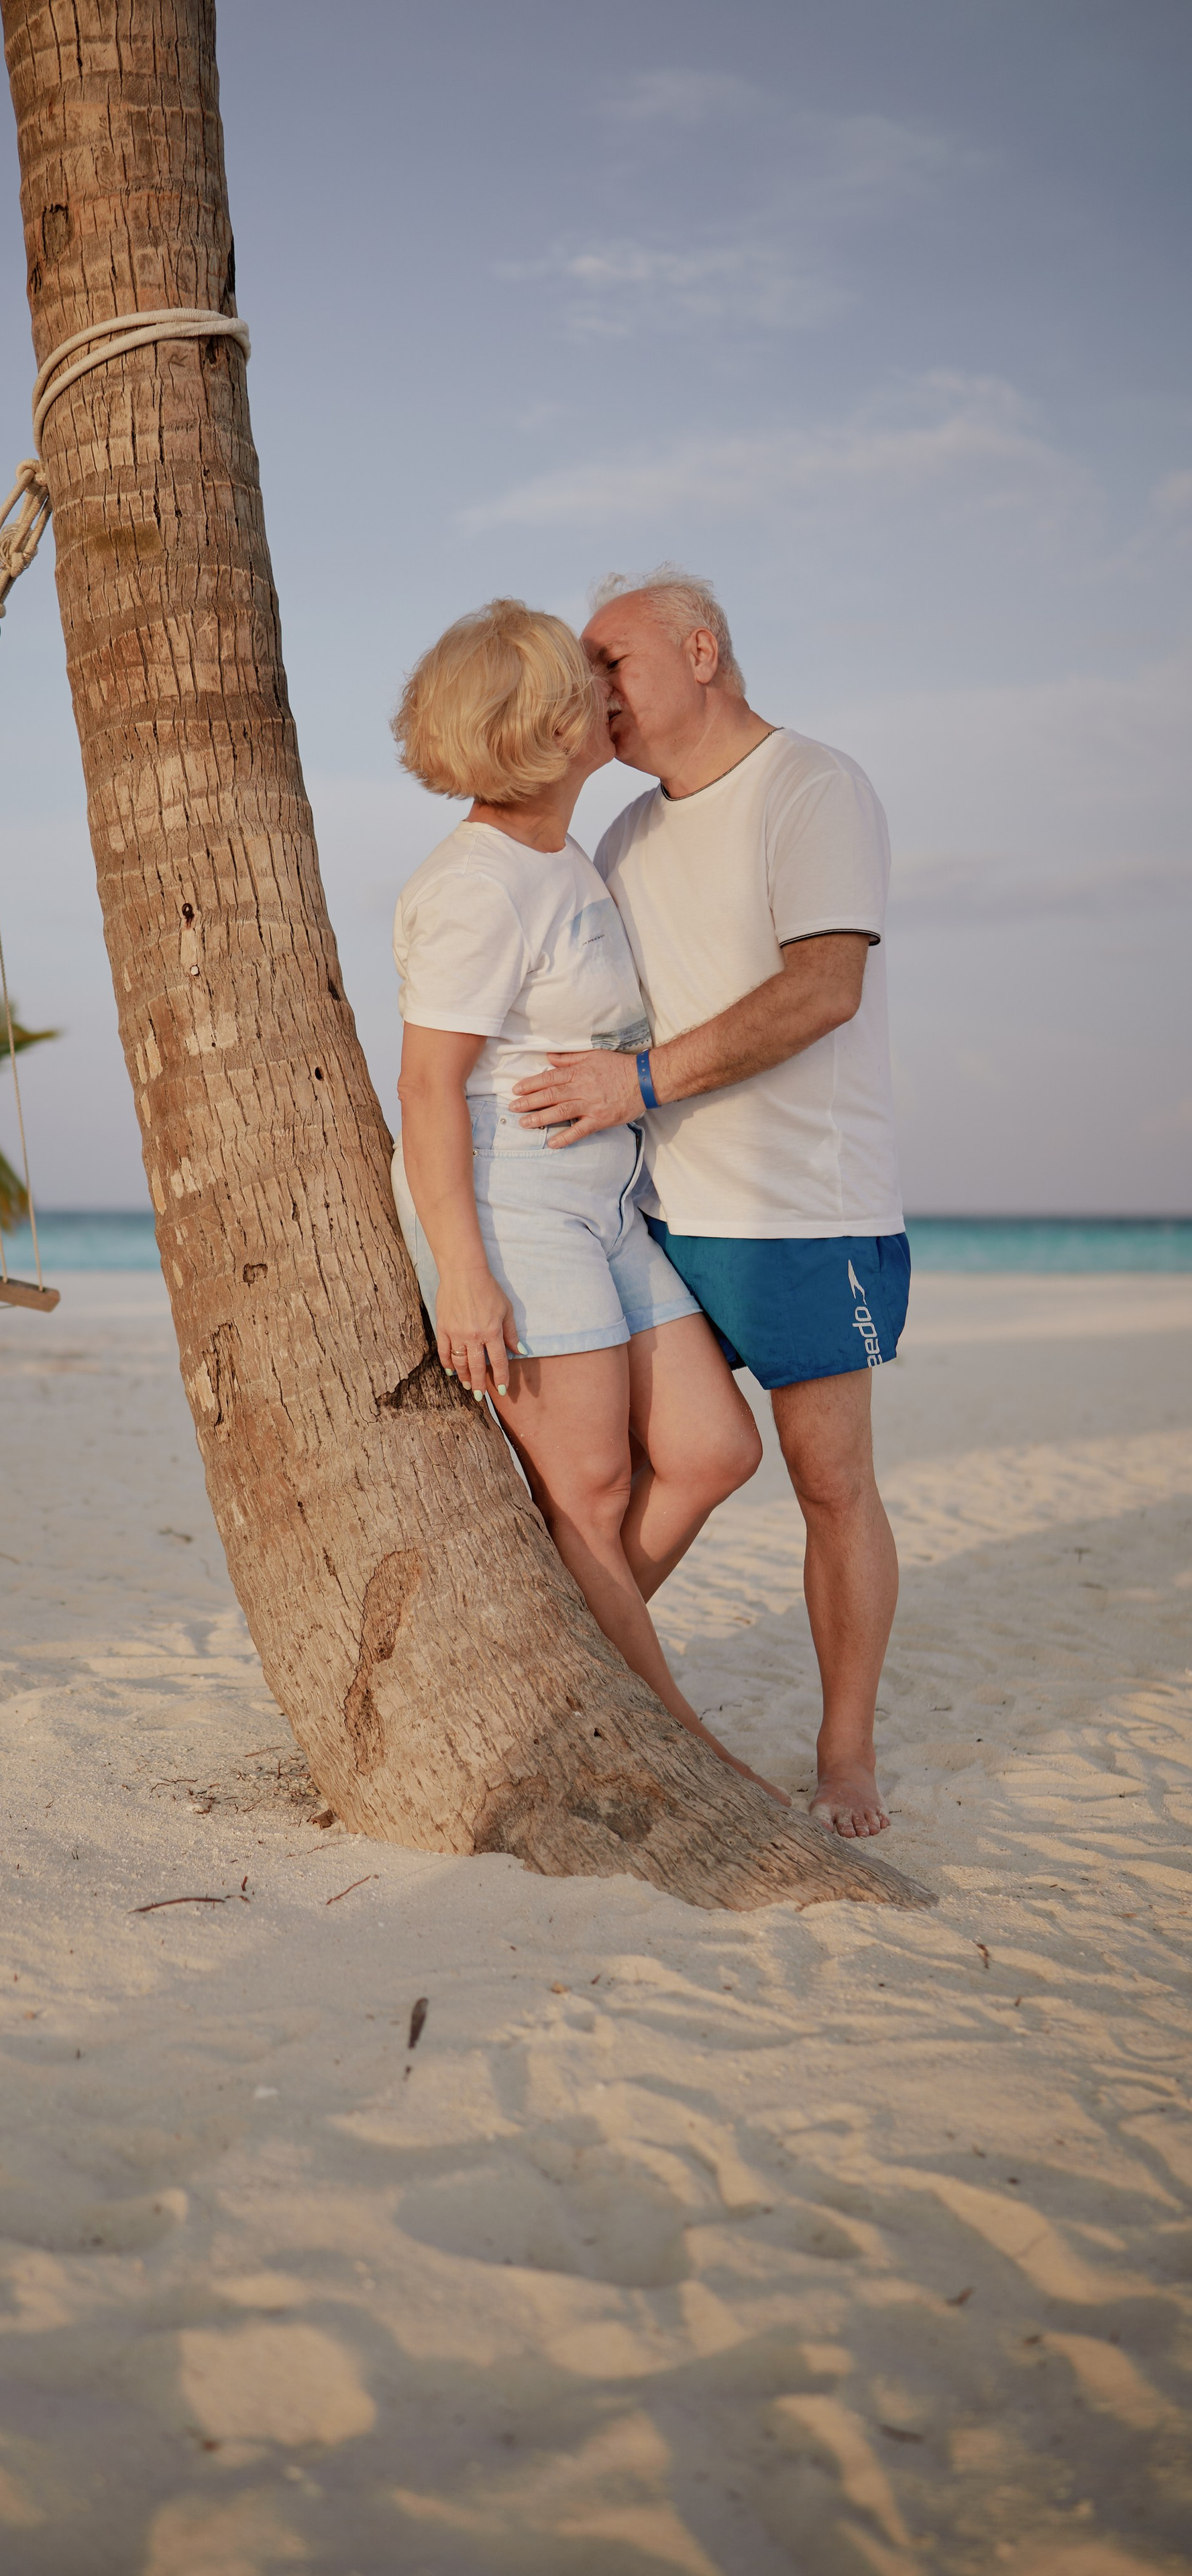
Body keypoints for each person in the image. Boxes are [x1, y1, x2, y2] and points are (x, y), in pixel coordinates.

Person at [510, 566, 908, 1839]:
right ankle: (565, 1686)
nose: (594, 693)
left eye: (609, 664)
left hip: (808, 1210)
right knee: (635, 1471)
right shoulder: (624, 837)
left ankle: (845, 1752)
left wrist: (638, 1081)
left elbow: (823, 989)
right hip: (653, 1210)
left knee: (829, 1478)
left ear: (700, 651)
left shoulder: (813, 785)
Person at [388, 598, 783, 1808]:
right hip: (523, 1210)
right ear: (551, 729)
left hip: (608, 1203)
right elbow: (426, 1088)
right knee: (595, 1496)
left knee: (716, 1449)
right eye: (589, 683)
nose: (612, 696)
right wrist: (464, 1268)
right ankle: (678, 1745)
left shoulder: (563, 855)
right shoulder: (480, 886)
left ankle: (567, 1666)